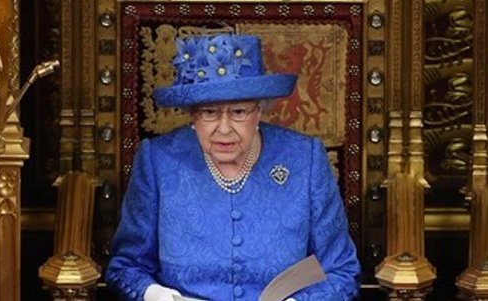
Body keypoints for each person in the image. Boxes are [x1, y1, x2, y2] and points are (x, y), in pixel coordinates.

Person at [106, 33, 360, 301]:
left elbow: (342, 271)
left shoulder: (305, 158)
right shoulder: (158, 161)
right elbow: (126, 268)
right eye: (209, 112)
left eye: (239, 112)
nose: (224, 129)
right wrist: (158, 296)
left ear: (259, 111)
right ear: (192, 115)